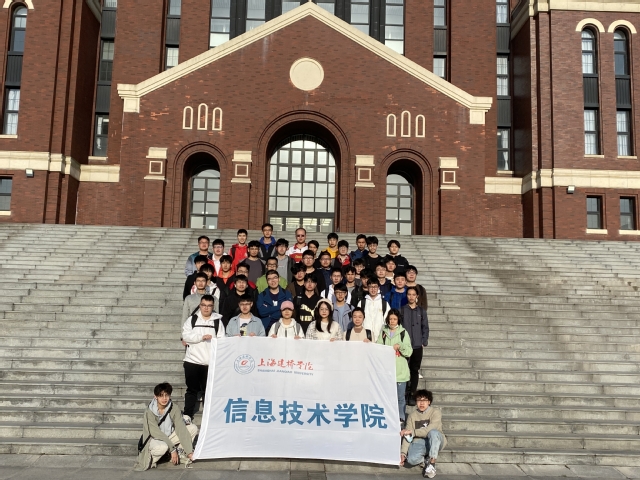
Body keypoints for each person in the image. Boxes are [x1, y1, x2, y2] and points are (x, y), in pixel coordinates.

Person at [134, 382, 197, 471]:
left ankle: (179, 453)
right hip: (154, 439)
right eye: (161, 396)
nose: (164, 398)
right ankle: (152, 459)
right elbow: (156, 433)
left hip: (168, 436)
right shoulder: (149, 411)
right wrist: (172, 449)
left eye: (166, 395)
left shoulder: (174, 408)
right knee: (162, 447)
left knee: (192, 428)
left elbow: (181, 428)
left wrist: (189, 451)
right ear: (155, 396)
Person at [181, 295, 225, 421]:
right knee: (191, 390)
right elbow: (186, 336)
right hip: (192, 361)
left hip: (210, 363)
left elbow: (222, 340)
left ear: (213, 307)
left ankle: (209, 416)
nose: (206, 308)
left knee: (209, 391)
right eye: (204, 305)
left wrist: (213, 340)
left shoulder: (217, 321)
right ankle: (187, 415)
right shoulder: (192, 319)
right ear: (200, 305)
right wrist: (201, 337)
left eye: (209, 306)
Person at [400, 390, 447, 478]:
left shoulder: (435, 412)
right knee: (411, 460)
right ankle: (426, 460)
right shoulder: (412, 416)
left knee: (433, 432)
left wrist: (413, 432)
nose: (421, 403)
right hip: (420, 442)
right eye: (419, 400)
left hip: (436, 440)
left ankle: (432, 464)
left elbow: (430, 429)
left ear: (429, 402)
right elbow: (407, 435)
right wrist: (403, 453)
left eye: (424, 400)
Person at [376, 309, 412, 425]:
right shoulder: (383, 332)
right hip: (386, 371)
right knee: (387, 397)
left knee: (400, 397)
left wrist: (400, 346)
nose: (392, 321)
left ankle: (401, 418)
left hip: (400, 371)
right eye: (390, 319)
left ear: (398, 320)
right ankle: (388, 417)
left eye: (394, 319)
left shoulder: (403, 333)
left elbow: (409, 351)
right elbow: (378, 348)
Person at [401, 287, 429, 405]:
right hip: (405, 345)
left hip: (417, 345)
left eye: (413, 294)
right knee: (404, 369)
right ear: (406, 296)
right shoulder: (402, 310)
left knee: (414, 370)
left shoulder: (421, 311)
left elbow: (425, 327)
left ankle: (412, 393)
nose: (411, 297)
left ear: (417, 296)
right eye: (409, 294)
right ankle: (404, 393)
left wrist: (424, 341)